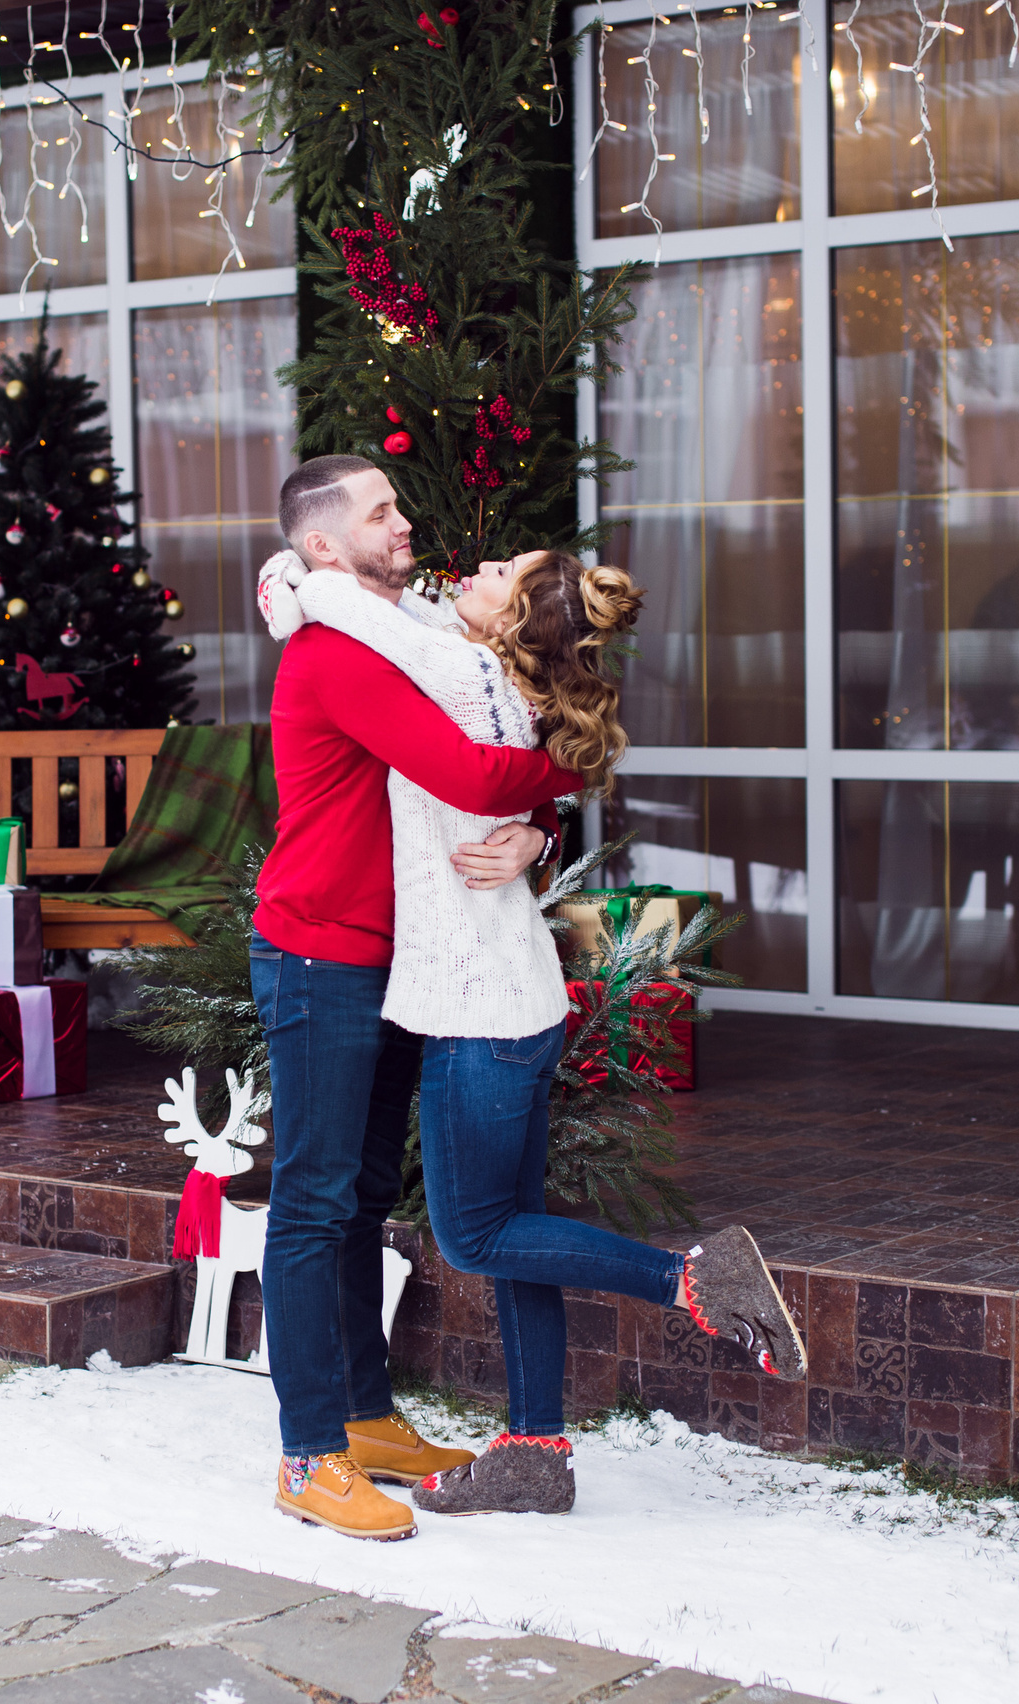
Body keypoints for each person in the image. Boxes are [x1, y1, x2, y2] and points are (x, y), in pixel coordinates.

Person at [260, 543, 807, 1521]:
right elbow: (412, 613)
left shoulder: (467, 678)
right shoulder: (487, 674)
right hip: (509, 999)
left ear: (505, 626)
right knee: (516, 1238)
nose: (479, 560)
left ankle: (690, 1280)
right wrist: (545, 822)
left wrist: (304, 579)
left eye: (505, 570)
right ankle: (533, 1450)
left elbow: (382, 618)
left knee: (476, 1236)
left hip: (479, 1010)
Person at [252, 456, 580, 1544]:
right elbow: (473, 774)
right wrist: (576, 760)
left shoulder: (407, 631)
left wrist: (544, 828)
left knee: (355, 1203)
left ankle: (362, 1415)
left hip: (393, 962)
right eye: (381, 511)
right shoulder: (334, 651)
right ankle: (308, 1458)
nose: (408, 521)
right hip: (320, 957)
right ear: (323, 549)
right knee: (309, 1202)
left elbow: (498, 722)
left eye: (400, 498)